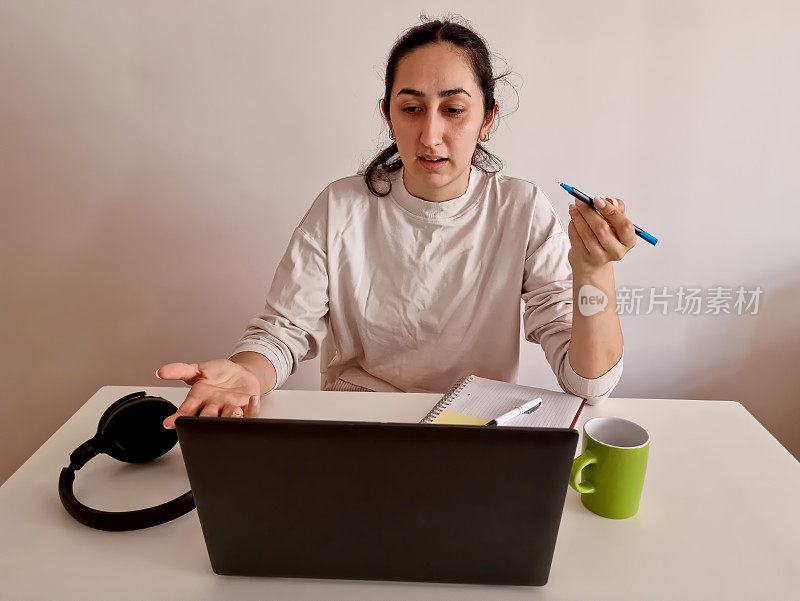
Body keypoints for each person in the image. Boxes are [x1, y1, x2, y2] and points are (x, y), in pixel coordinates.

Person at [159, 16, 636, 430]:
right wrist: (246, 374)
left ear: (487, 118)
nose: (431, 135)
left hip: (473, 426)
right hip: (360, 424)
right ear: (388, 114)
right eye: (411, 109)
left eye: (454, 110)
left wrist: (595, 275)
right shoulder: (341, 206)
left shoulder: (522, 208)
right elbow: (283, 330)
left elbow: (589, 384)